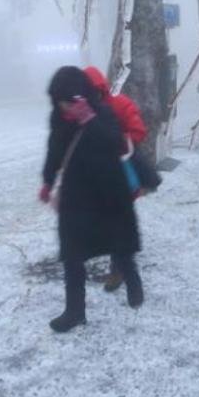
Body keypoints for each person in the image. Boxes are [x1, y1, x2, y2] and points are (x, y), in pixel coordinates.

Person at [38, 66, 144, 332]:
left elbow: (115, 144)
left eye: (66, 101)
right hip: (75, 196)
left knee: (118, 245)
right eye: (58, 101)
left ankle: (133, 281)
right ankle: (75, 311)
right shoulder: (59, 118)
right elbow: (54, 151)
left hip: (107, 192)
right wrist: (48, 180)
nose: (62, 107)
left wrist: (89, 119)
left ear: (80, 97)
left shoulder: (102, 113)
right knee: (72, 254)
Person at [81, 66, 159, 292]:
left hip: (120, 175)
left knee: (117, 222)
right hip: (95, 177)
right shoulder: (83, 112)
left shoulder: (120, 104)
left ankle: (119, 268)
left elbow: (138, 131)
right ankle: (119, 262)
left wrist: (113, 144)